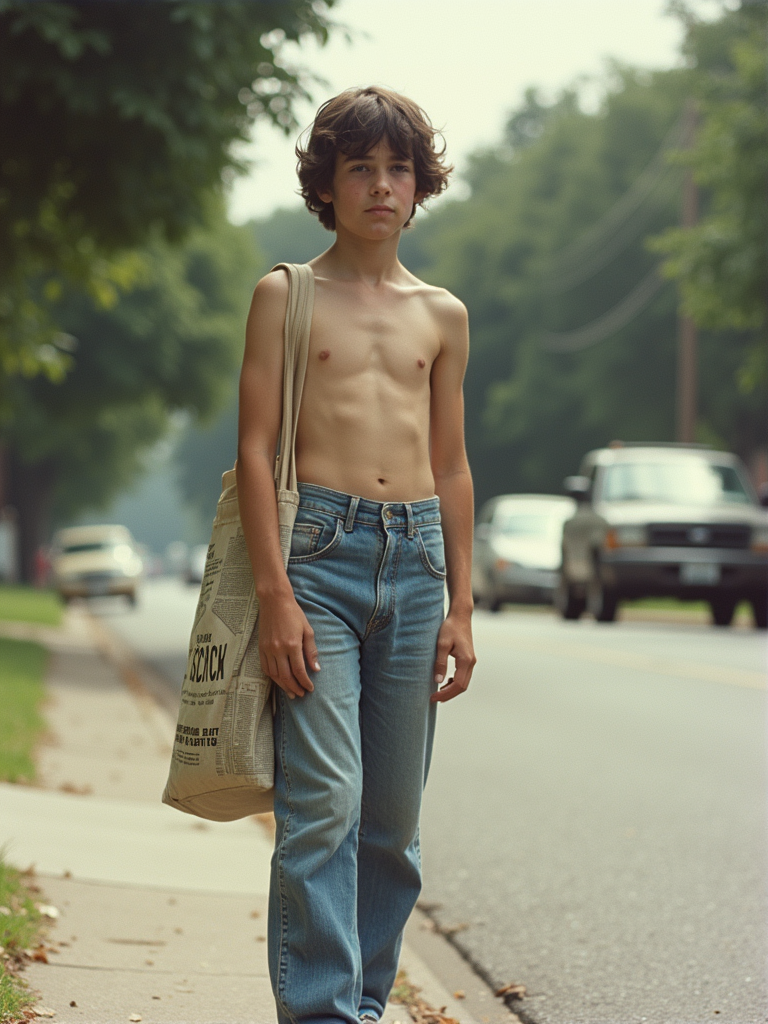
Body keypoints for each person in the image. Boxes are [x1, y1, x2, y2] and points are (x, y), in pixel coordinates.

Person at [236, 86, 476, 1024]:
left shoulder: (443, 315)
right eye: (360, 169)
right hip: (319, 561)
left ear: (419, 187)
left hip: (416, 563)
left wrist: (461, 603)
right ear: (326, 186)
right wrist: (275, 594)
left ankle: (366, 1006)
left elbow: (452, 463)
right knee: (325, 802)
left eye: (398, 169)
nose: (382, 186)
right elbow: (256, 449)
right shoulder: (285, 295)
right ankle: (325, 1012)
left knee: (394, 826)